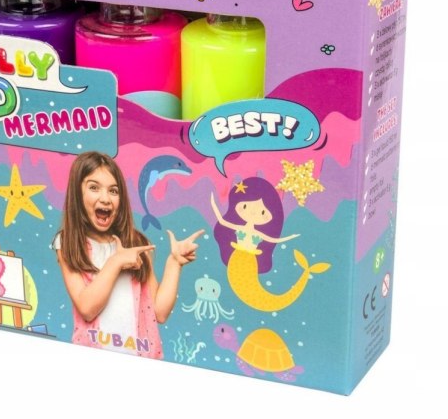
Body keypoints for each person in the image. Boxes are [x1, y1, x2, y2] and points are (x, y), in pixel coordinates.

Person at [55, 151, 203, 359]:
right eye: (94, 188)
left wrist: (174, 263)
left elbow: (159, 313)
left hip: (140, 356)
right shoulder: (68, 243)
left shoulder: (136, 243)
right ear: (77, 194)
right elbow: (87, 308)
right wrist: (116, 262)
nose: (105, 199)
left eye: (113, 191)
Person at [211, 177, 299, 274]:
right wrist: (213, 204)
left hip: (251, 259)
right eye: (245, 206)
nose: (253, 213)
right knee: (235, 273)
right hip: (236, 255)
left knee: (246, 275)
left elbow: (273, 240)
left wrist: (291, 236)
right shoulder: (240, 228)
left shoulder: (257, 233)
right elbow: (222, 221)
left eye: (262, 212)